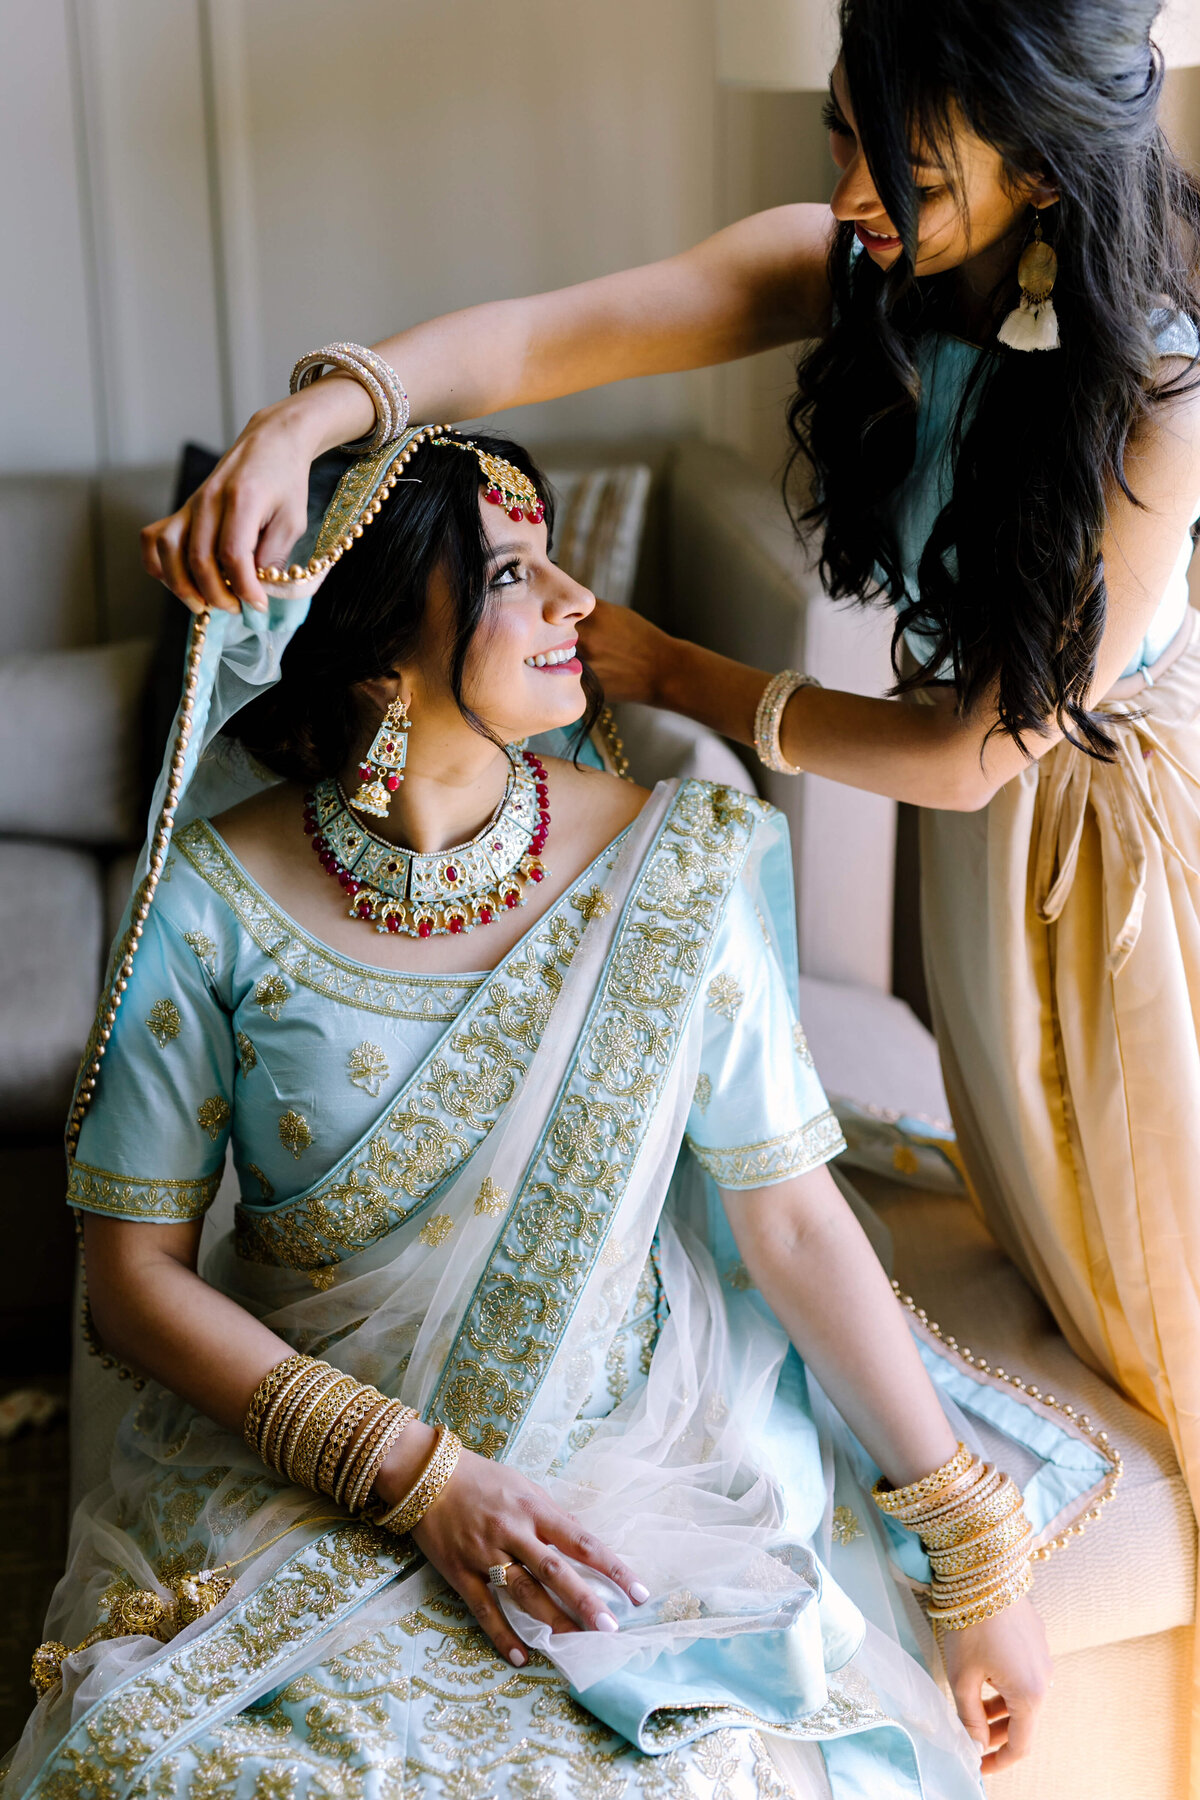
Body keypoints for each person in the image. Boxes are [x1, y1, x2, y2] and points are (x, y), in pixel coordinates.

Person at [142, 0, 1200, 1542]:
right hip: (976, 842)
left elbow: (978, 754)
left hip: (1106, 846)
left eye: (901, 168)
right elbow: (533, 338)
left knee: (1153, 1277)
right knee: (1033, 1224)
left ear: (1042, 172)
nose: (851, 197)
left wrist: (672, 672)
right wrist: (309, 420)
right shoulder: (854, 267)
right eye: (842, 136)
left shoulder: (1159, 402)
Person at [9, 428, 1115, 1799]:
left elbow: (793, 1228)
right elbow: (129, 1284)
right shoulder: (213, 897)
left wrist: (969, 1550)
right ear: (378, 645)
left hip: (610, 1475)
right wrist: (417, 1476)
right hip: (303, 1477)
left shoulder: (675, 861)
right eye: (516, 574)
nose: (576, 602)